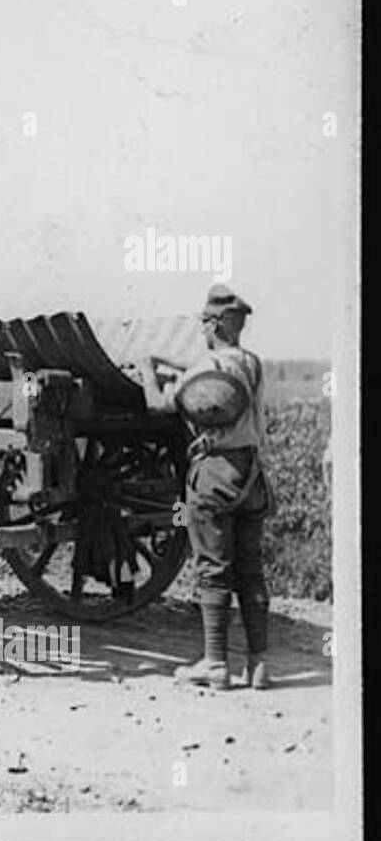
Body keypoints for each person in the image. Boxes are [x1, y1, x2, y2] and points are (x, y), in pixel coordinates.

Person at [136, 284, 275, 690]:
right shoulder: (253, 364)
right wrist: (175, 364)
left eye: (204, 324)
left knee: (213, 570)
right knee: (251, 571)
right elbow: (217, 368)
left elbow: (157, 405)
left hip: (214, 476)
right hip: (252, 476)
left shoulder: (201, 372)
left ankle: (215, 664)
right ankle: (258, 664)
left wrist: (148, 370)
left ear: (213, 325)